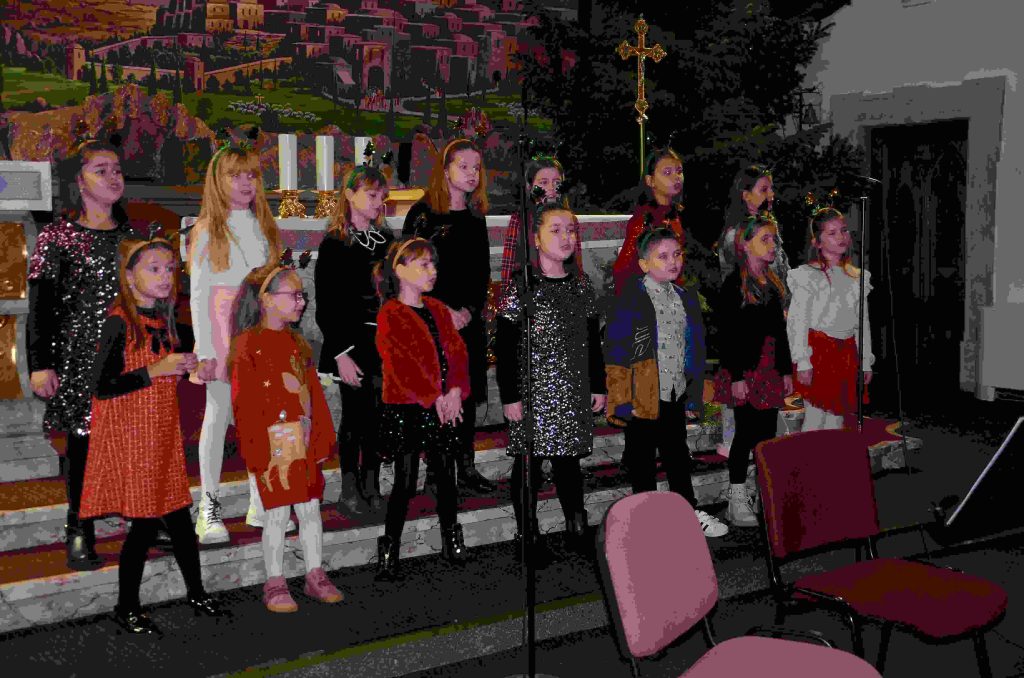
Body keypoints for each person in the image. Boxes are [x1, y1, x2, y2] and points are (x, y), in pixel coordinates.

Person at [80, 236, 226, 634]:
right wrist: (156, 370)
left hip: (162, 435)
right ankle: (126, 606)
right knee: (144, 526)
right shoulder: (118, 322)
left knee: (180, 520)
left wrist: (196, 368)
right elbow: (102, 386)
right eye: (154, 269)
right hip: (134, 438)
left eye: (170, 270)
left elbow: (179, 368)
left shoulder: (167, 322)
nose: (165, 277)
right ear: (129, 277)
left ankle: (196, 592)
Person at [27, 137, 132, 569]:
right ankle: (79, 527)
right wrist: (40, 365)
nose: (113, 177)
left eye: (117, 169)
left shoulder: (133, 238)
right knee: (84, 445)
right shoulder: (57, 235)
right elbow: (40, 306)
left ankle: (147, 514)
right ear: (79, 181)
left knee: (134, 440)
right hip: (78, 359)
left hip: (129, 357)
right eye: (101, 170)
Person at [230, 261, 343, 613]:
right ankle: (275, 581)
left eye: (302, 295)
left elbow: (313, 396)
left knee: (310, 509)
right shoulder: (247, 344)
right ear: (266, 299)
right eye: (294, 295)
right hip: (273, 447)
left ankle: (315, 573)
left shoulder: (298, 344)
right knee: (277, 515)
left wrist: (321, 439)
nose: (301, 302)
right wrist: (257, 449)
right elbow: (243, 403)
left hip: (303, 442)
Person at [496, 203, 607, 558]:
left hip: (572, 388)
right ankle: (528, 533)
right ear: (536, 239)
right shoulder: (521, 286)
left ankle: (577, 525)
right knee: (528, 464)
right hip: (533, 393)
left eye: (571, 230)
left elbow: (592, 342)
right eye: (556, 230)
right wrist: (510, 395)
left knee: (568, 462)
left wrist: (598, 384)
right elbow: (505, 347)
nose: (566, 237)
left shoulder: (581, 285)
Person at [605, 228, 729, 538]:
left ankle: (688, 511)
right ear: (644, 264)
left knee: (677, 456)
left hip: (674, 393)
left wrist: (693, 396)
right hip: (642, 396)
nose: (673, 261)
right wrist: (621, 399)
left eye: (677, 254)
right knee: (642, 461)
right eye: (662, 256)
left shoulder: (685, 298)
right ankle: (646, 522)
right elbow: (616, 350)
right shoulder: (631, 299)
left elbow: (695, 349)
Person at [188, 143, 284, 543]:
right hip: (221, 331)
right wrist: (205, 351)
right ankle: (208, 507)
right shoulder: (207, 229)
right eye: (235, 175)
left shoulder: (264, 226)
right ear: (217, 181)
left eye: (252, 175)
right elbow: (198, 294)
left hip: (258, 329)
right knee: (219, 414)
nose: (245, 183)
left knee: (261, 417)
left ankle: (260, 500)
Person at [373, 237, 471, 581]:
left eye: (433, 264)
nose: (433, 271)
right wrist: (435, 397)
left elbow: (457, 352)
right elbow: (401, 366)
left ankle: (451, 537)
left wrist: (455, 390)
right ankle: (389, 548)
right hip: (409, 407)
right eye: (424, 264)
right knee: (405, 479)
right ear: (400, 271)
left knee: (446, 473)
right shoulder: (390, 313)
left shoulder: (438, 309)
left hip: (443, 404)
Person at [403, 139, 495, 494]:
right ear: (445, 170)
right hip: (430, 322)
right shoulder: (423, 214)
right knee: (437, 394)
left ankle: (466, 467)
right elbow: (409, 270)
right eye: (464, 166)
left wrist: (468, 311)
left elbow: (480, 272)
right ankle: (436, 473)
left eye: (477, 168)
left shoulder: (475, 217)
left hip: (466, 321)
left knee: (465, 394)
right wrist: (442, 313)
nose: (472, 174)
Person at [315, 165, 394, 515]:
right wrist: (341, 354)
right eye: (371, 195)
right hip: (349, 342)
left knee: (377, 415)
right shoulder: (335, 244)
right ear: (349, 195)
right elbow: (327, 306)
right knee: (354, 416)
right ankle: (349, 487)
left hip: (382, 342)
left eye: (381, 196)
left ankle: (371, 481)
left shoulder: (387, 241)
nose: (377, 202)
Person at [714, 214, 794, 528]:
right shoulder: (734, 285)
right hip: (745, 373)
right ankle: (736, 499)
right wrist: (736, 377)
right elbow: (727, 336)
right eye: (765, 239)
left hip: (769, 371)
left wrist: (785, 370)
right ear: (745, 245)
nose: (772, 245)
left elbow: (780, 333)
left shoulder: (772, 283)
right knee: (745, 434)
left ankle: (764, 493)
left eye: (774, 239)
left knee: (767, 435)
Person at [787, 205, 874, 430]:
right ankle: (809, 453)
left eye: (844, 230)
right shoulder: (808, 276)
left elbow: (862, 323)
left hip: (846, 353)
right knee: (815, 417)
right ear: (817, 242)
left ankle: (830, 453)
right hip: (819, 352)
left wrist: (865, 361)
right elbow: (797, 321)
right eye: (832, 233)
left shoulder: (857, 278)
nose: (841, 237)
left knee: (837, 419)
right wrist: (802, 360)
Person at [498, 154, 583, 288]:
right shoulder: (520, 220)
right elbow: (507, 268)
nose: (551, 188)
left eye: (557, 182)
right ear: (530, 186)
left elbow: (577, 263)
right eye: (543, 182)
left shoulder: (571, 219)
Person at [611, 147, 686, 295]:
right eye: (667, 172)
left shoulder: (677, 214)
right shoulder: (643, 220)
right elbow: (622, 270)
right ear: (650, 180)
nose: (676, 177)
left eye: (679, 171)